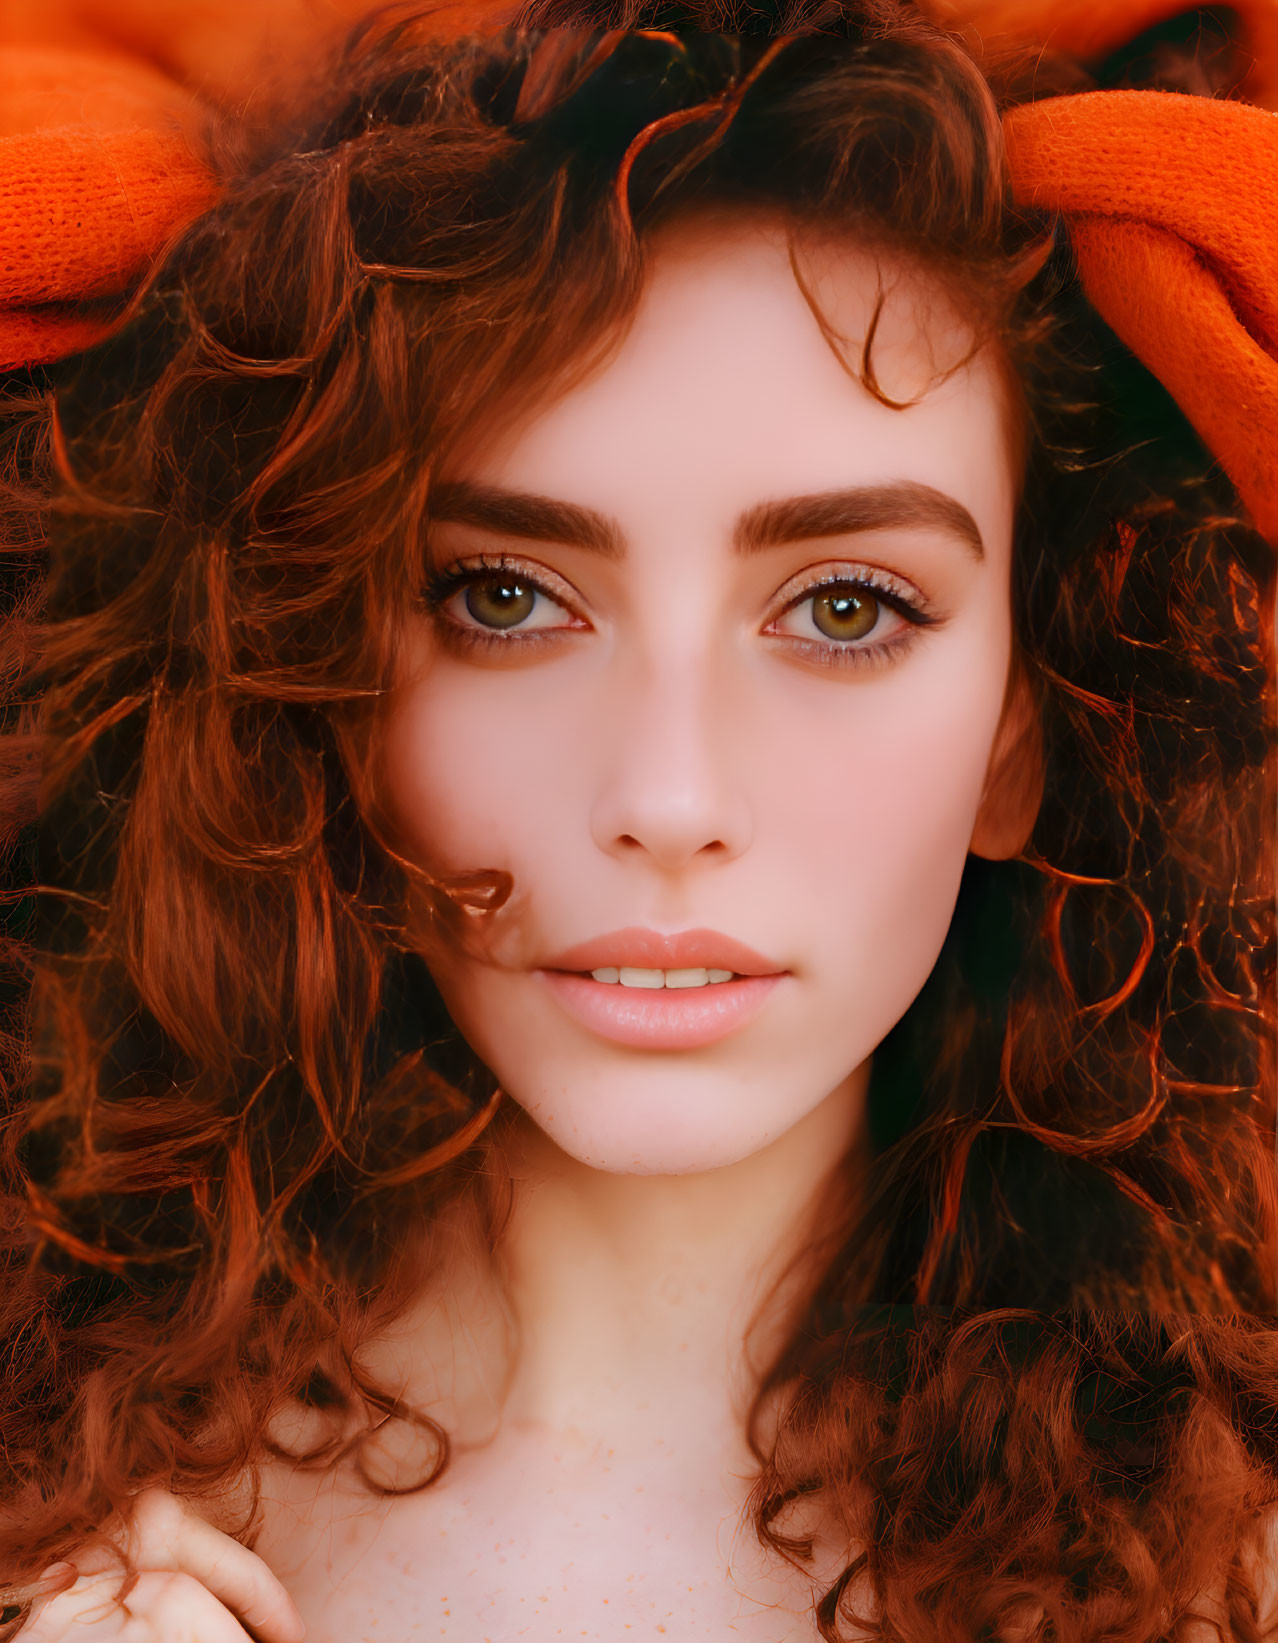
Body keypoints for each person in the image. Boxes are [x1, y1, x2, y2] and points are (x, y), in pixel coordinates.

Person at [0, 2, 1275, 1637]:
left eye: (841, 610)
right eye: (506, 595)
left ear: (1022, 732)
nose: (667, 801)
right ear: (312, 678)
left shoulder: (1227, 1565)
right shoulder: (44, 1499)